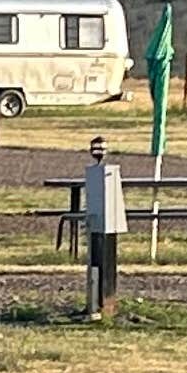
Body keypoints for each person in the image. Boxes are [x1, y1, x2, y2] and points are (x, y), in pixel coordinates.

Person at [81, 132, 126, 315]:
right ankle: (101, 303)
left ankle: (104, 303)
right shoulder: (97, 174)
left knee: (104, 256)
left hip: (105, 224)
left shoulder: (104, 175)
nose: (98, 150)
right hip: (99, 222)